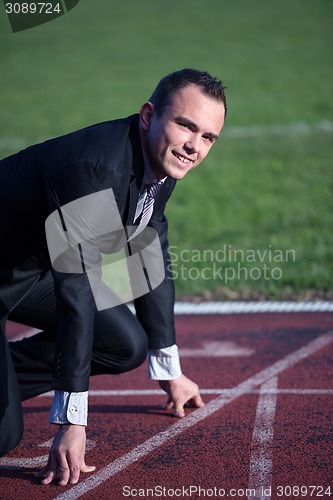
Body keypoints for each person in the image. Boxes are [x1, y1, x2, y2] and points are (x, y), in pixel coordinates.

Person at [0, 68, 227, 485]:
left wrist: (168, 368)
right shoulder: (94, 168)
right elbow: (76, 291)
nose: (194, 146)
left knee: (125, 345)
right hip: (25, 272)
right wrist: (72, 422)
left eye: (208, 137)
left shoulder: (163, 160)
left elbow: (149, 253)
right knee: (4, 433)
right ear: (148, 115)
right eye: (185, 126)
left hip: (26, 272)